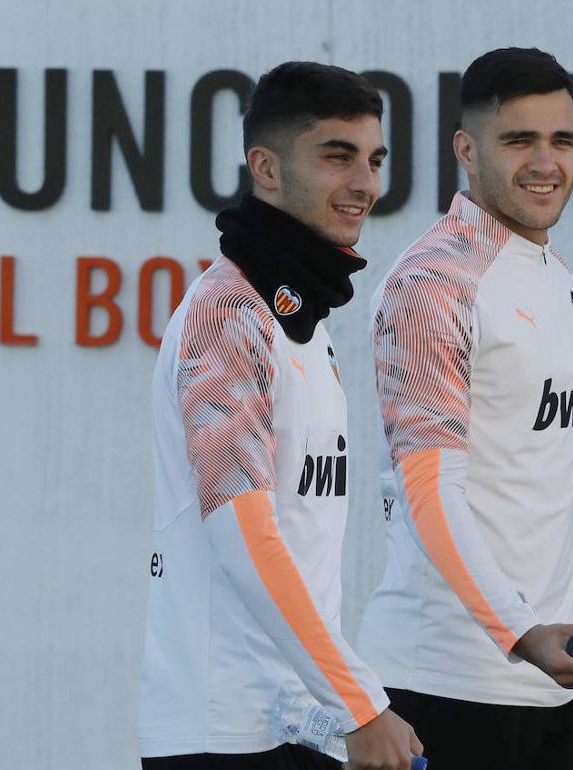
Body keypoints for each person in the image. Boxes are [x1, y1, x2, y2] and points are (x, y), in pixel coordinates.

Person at [138, 62, 422, 770]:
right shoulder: (226, 317)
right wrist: (362, 702)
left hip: (296, 725)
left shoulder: (298, 318)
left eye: (374, 159)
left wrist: (341, 704)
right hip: (224, 736)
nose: (365, 183)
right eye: (337, 156)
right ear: (265, 168)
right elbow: (245, 539)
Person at [357, 48, 573, 769]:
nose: (546, 163)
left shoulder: (553, 274)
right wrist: (521, 633)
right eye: (520, 141)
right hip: (445, 689)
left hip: (552, 680)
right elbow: (428, 492)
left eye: (562, 141)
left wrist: (544, 639)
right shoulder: (433, 285)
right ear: (467, 149)